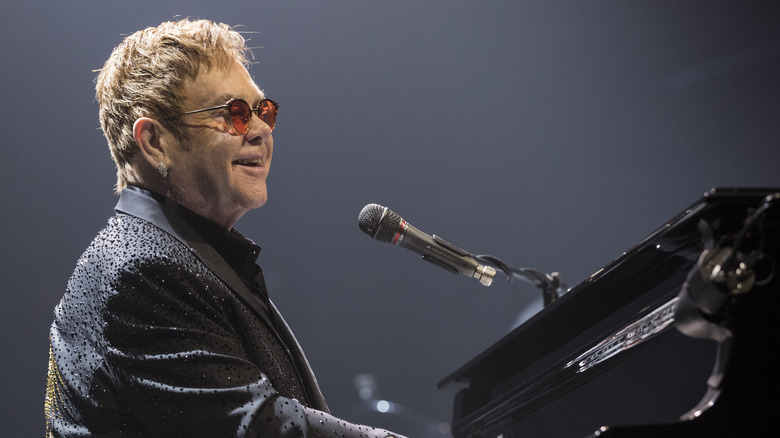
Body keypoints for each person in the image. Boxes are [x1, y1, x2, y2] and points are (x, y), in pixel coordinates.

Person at [45, 19, 403, 438]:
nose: (260, 130)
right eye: (233, 114)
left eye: (263, 110)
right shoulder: (140, 268)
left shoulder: (181, 254)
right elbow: (258, 428)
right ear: (154, 142)